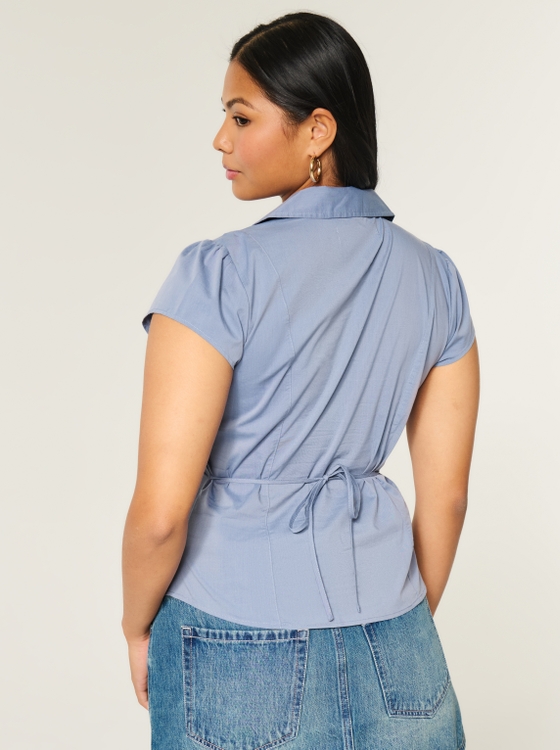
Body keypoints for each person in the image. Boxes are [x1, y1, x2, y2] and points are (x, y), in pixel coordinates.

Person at [122, 11, 479, 750]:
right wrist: (400, 621)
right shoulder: (436, 278)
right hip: (399, 635)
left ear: (318, 131)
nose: (220, 140)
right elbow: (446, 498)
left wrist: (135, 628)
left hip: (231, 633)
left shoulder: (219, 274)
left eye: (240, 116)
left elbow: (160, 514)